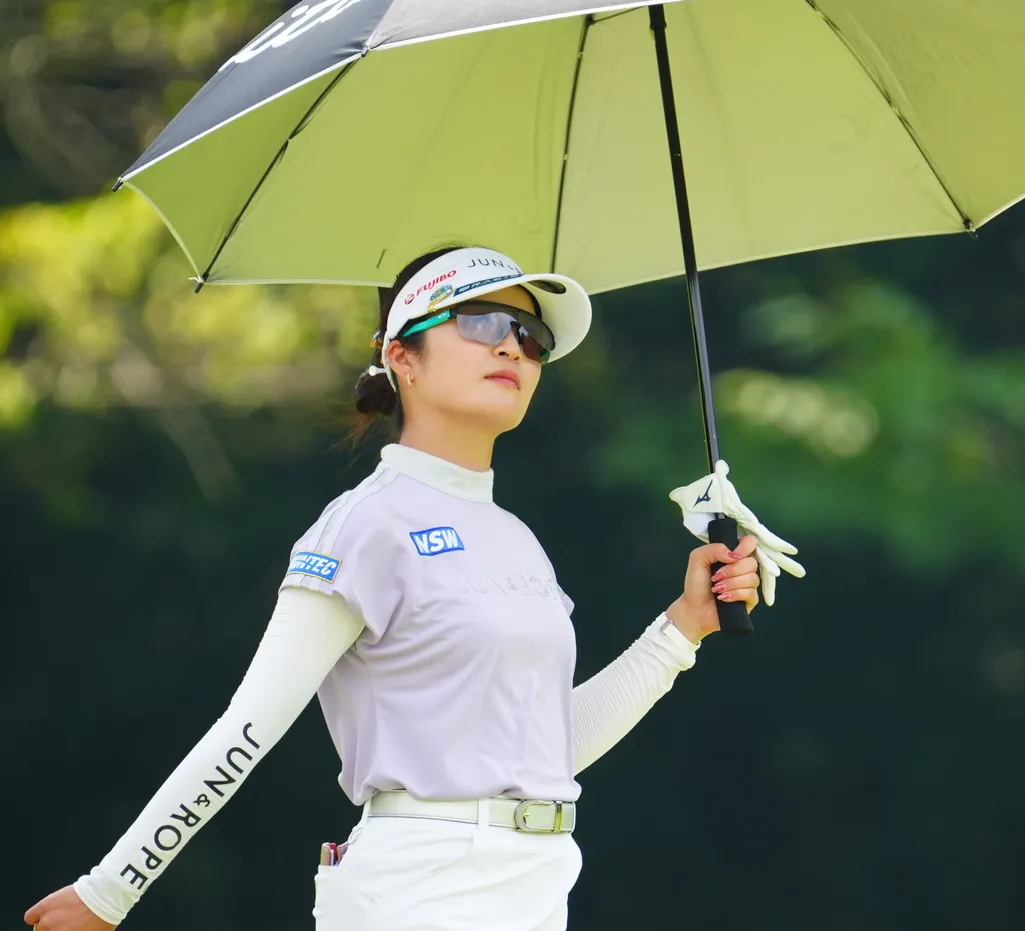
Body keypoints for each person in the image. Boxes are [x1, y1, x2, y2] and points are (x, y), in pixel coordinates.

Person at [24, 245, 769, 931]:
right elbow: (246, 729)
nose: (513, 346)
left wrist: (682, 627)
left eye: (531, 335)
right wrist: (110, 891)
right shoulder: (363, 526)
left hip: (537, 886)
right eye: (482, 321)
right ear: (402, 355)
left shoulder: (518, 540)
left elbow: (546, 752)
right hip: (414, 887)